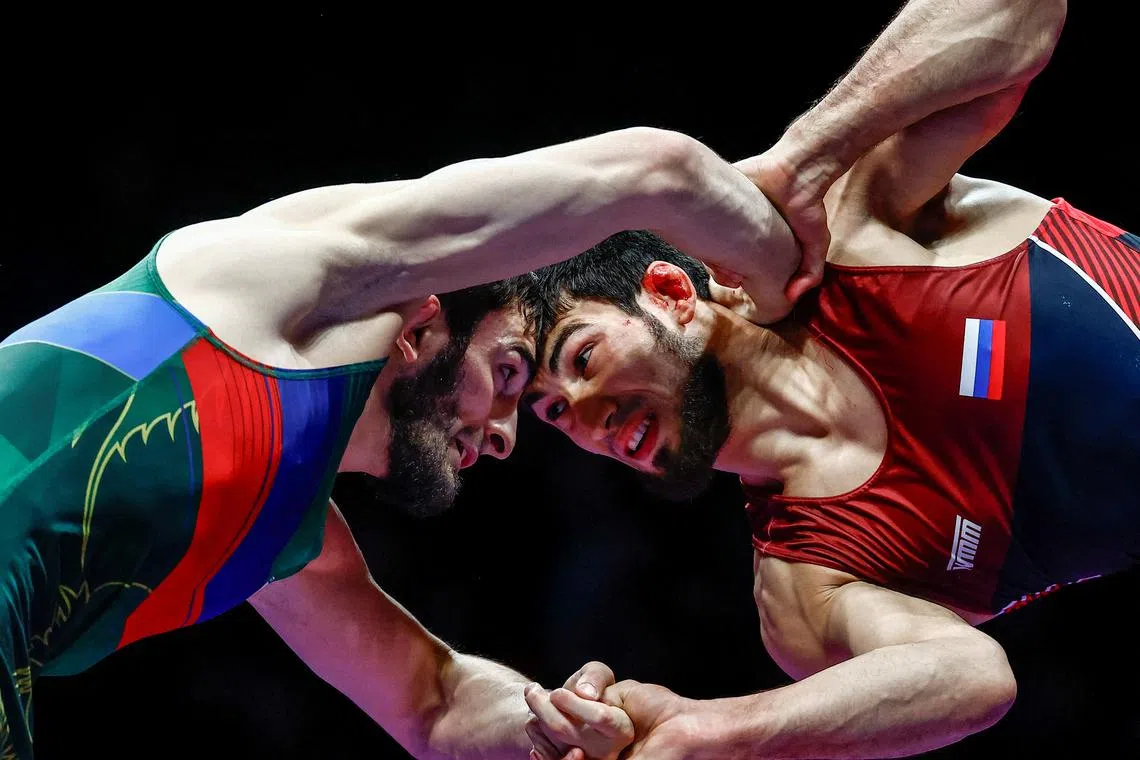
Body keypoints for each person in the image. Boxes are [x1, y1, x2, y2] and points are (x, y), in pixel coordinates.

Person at [0, 126, 801, 759]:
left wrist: (561, 721)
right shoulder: (271, 276)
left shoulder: (282, 533)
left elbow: (433, 706)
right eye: (514, 371)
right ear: (422, 322)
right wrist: (789, 292)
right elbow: (655, 168)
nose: (504, 439)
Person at [520, 0, 1137, 756]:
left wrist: (806, 156)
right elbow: (974, 677)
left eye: (581, 361)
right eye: (552, 415)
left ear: (674, 294)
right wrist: (708, 731)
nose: (585, 416)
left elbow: (1029, 16)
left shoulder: (854, 231)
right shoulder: (804, 587)